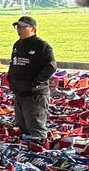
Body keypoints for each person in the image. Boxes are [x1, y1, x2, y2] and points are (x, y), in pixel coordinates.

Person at [8, 15, 55, 143]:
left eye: (22, 27)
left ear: (33, 29)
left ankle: (38, 149)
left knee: (35, 127)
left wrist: (35, 83)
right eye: (17, 27)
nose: (19, 30)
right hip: (19, 92)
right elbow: (14, 63)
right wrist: (11, 79)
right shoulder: (17, 45)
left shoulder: (42, 45)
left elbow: (50, 66)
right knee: (22, 125)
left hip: (35, 94)